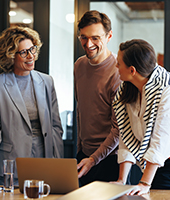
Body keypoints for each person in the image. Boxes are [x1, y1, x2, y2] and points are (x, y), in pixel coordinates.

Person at [0, 26, 64, 186]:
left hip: (45, 163)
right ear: (10, 56)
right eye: (23, 52)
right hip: (12, 165)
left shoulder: (47, 81)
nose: (31, 56)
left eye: (32, 49)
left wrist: (58, 164)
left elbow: (56, 127)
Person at [112, 39, 170, 200]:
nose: (116, 67)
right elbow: (126, 134)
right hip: (155, 163)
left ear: (132, 70)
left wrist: (145, 184)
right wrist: (122, 180)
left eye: (118, 63)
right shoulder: (127, 89)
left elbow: (162, 141)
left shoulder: (168, 90)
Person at [74, 10, 121, 186]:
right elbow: (81, 111)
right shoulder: (79, 65)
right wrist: (81, 151)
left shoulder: (118, 72)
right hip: (84, 157)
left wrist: (94, 159)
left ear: (109, 36)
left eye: (95, 38)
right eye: (83, 37)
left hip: (111, 160)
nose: (88, 44)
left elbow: (118, 129)